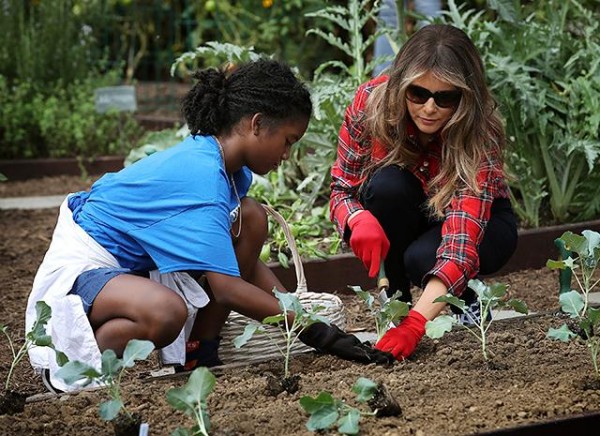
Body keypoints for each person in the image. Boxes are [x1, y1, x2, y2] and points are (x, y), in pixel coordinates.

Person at [27, 59, 392, 392]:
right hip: (87, 269)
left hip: (132, 270)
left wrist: (298, 311)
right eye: (288, 142)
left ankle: (199, 351)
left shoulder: (231, 172)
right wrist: (314, 331)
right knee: (165, 312)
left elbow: (242, 267)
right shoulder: (204, 178)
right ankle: (71, 364)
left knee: (251, 217)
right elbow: (229, 288)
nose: (287, 155)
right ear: (257, 123)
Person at [330, 24, 518, 361]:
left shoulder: (479, 132)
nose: (429, 108)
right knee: (386, 187)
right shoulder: (370, 105)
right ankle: (396, 310)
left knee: (423, 258)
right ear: (401, 84)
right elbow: (342, 188)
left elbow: (461, 242)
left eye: (444, 98)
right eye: (418, 93)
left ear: (465, 97)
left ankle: (466, 299)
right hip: (414, 208)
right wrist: (357, 219)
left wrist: (418, 325)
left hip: (484, 225)